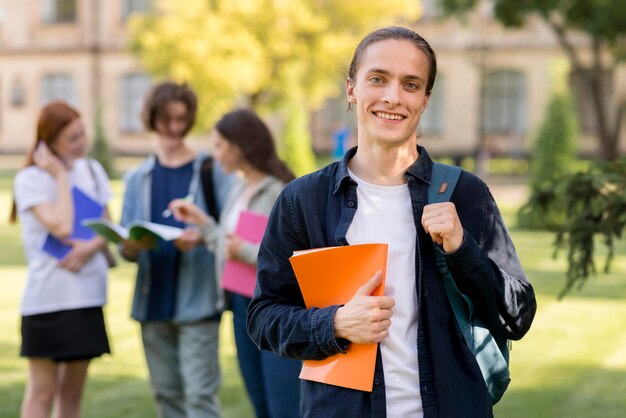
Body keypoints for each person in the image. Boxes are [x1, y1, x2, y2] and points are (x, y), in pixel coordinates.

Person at [247, 26, 537, 417]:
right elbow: (264, 317)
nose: (392, 97)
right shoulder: (303, 201)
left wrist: (462, 248)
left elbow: (517, 316)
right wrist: (334, 323)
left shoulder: (465, 194)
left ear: (425, 99)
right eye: (378, 79)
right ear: (351, 89)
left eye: (411, 84)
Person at [169, 109, 301, 418]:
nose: (214, 155)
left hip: (276, 310)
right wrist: (203, 225)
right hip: (242, 308)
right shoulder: (238, 188)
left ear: (239, 147)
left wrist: (244, 250)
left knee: (284, 407)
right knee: (260, 403)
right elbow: (228, 245)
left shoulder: (280, 192)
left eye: (218, 146)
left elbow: (293, 260)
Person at [119, 81, 233, 418]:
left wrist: (201, 237)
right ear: (151, 119)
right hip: (152, 300)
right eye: (166, 119)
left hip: (198, 301)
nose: (173, 128)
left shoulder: (212, 170)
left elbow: (231, 232)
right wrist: (131, 245)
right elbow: (126, 250)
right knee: (166, 397)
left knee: (200, 398)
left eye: (181, 119)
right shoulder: (136, 178)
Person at [11, 101, 112, 418]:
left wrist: (87, 248)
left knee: (72, 394)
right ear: (49, 140)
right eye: (72, 138)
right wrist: (59, 175)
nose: (81, 143)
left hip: (87, 296)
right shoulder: (30, 179)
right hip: (47, 300)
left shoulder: (93, 169)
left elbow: (108, 226)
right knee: (42, 393)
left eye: (82, 135)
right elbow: (62, 225)